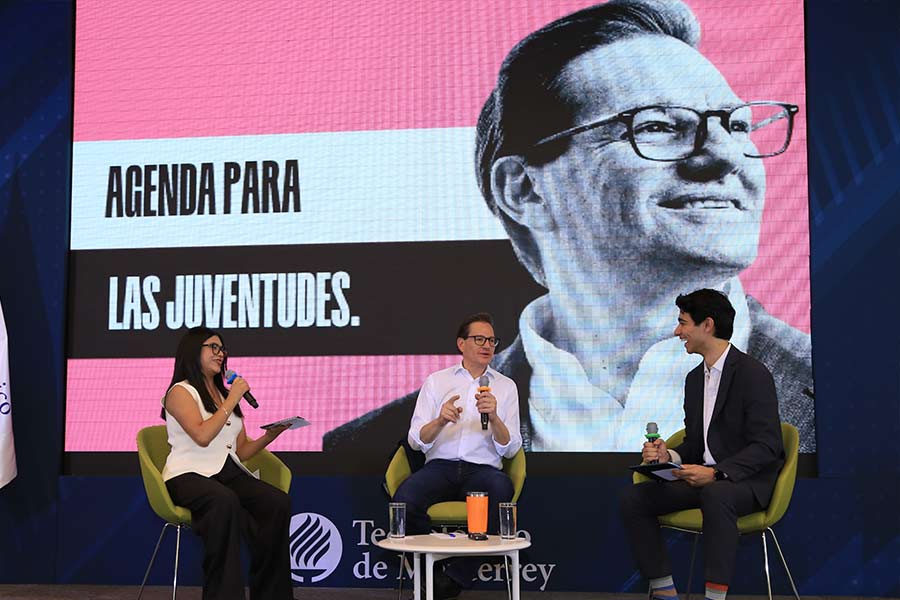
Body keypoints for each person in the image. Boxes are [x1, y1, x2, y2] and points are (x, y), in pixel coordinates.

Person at [323, 0, 814, 454]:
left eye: (737, 125)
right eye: (659, 127)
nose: (727, 155)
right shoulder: (370, 444)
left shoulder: (848, 386)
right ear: (524, 190)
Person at [619, 289, 784, 600]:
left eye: (683, 323)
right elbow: (697, 444)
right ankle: (665, 593)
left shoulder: (752, 374)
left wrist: (718, 473)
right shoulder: (695, 379)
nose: (677, 331)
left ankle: (714, 597)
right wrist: (669, 455)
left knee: (716, 492)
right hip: (706, 480)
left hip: (745, 482)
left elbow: (768, 445)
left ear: (707, 325)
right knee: (634, 498)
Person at [392, 312, 522, 599]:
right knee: (405, 499)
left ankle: (454, 578)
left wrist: (495, 417)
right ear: (461, 344)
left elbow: (511, 448)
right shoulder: (437, 382)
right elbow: (416, 441)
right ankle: (433, 573)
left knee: (501, 491)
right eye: (479, 339)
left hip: (483, 470)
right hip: (440, 467)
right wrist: (439, 421)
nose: (487, 345)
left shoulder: (505, 386)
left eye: (491, 340)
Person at [160, 326, 293, 600]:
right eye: (213, 347)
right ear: (193, 351)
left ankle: (270, 594)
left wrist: (269, 435)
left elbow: (241, 451)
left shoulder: (224, 395)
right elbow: (202, 435)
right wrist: (233, 398)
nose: (221, 354)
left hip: (227, 471)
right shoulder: (180, 392)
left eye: (223, 349)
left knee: (277, 503)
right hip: (188, 474)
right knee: (225, 501)